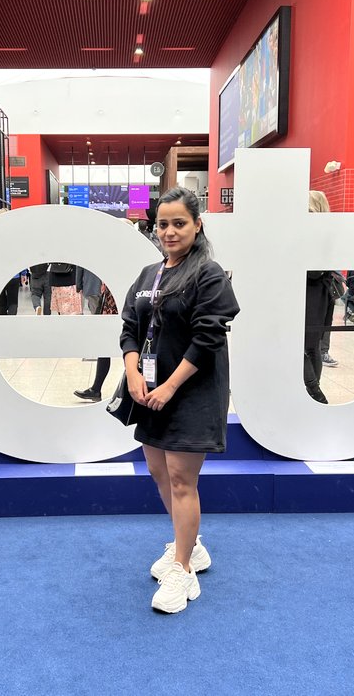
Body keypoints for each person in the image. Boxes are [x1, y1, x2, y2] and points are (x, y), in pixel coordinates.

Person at [119, 187, 239, 614]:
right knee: (157, 471)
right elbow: (130, 326)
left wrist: (170, 386)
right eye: (163, 224)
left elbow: (208, 337)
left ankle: (183, 569)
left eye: (179, 223)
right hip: (149, 391)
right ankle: (192, 545)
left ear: (197, 225)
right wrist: (134, 373)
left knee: (182, 479)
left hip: (192, 392)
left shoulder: (208, 273)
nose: (169, 231)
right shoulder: (149, 273)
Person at [302, 190, 338, 401]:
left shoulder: (316, 232)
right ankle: (313, 391)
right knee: (311, 345)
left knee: (304, 345)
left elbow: (314, 270)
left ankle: (315, 393)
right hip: (319, 294)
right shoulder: (328, 232)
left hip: (312, 293)